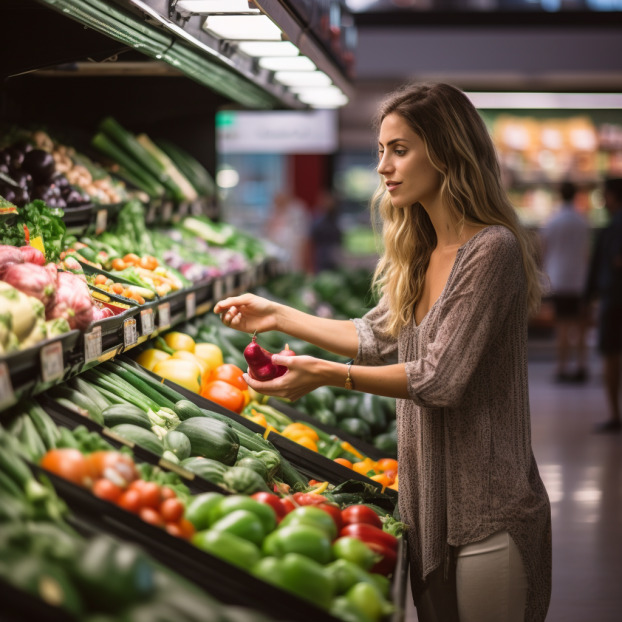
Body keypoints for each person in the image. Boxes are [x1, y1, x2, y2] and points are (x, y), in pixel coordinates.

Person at [215, 82, 552, 622]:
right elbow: (376, 336)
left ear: (445, 152)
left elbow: (441, 378)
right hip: (425, 507)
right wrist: (277, 314)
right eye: (380, 151)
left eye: (400, 149)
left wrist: (328, 375)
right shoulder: (420, 252)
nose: (383, 167)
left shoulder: (493, 250)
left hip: (489, 509)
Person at [541, 180, 591, 382]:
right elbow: (587, 250)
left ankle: (562, 368)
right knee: (580, 325)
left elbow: (543, 248)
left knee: (562, 325)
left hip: (559, 278)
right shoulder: (582, 220)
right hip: (579, 278)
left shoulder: (553, 220)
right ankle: (581, 366)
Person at [584, 177, 622, 433]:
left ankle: (614, 415)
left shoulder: (614, 226)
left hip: (615, 300)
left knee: (611, 356)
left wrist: (591, 296)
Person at [264, 191, 310, 272]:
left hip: (293, 252)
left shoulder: (297, 211)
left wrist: (305, 258)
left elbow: (303, 236)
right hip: (277, 253)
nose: (277, 204)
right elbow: (268, 232)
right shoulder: (273, 212)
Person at [309, 190, 343, 272]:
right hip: (321, 256)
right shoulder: (317, 219)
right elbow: (311, 241)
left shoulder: (336, 218)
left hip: (336, 254)